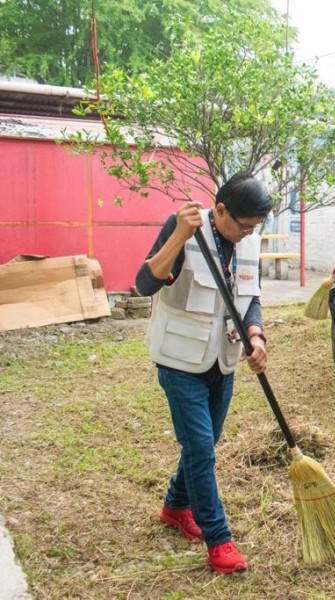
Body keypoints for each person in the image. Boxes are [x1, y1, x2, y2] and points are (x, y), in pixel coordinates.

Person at [134, 172, 272, 574]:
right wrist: (178, 235)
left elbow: (250, 297)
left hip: (223, 360)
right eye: (243, 226)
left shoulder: (249, 240)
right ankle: (219, 539)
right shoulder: (181, 229)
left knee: (203, 444)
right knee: (201, 452)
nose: (247, 235)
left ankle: (176, 507)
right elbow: (144, 284)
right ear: (222, 210)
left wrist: (256, 334)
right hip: (179, 361)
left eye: (254, 228)